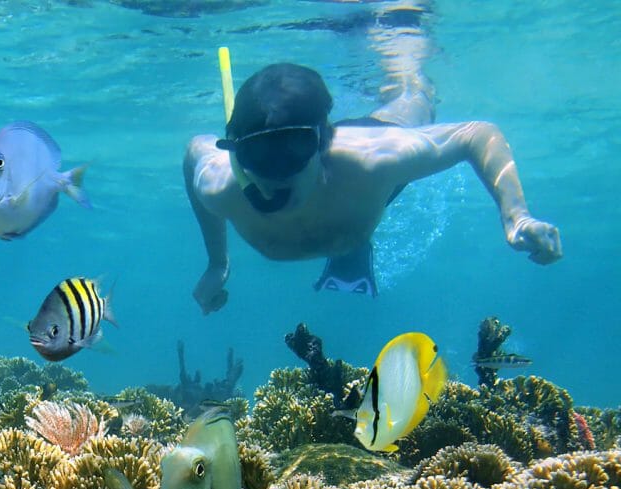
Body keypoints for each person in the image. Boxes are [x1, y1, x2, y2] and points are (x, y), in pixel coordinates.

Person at [183, 7, 562, 312]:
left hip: (364, 157)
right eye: (257, 155)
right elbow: (195, 151)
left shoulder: (375, 161)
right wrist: (218, 262)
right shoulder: (221, 187)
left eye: (293, 150)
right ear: (236, 152)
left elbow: (476, 133)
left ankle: (402, 52)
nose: (276, 172)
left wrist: (517, 216)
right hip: (342, 187)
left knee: (414, 98)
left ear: (321, 140)